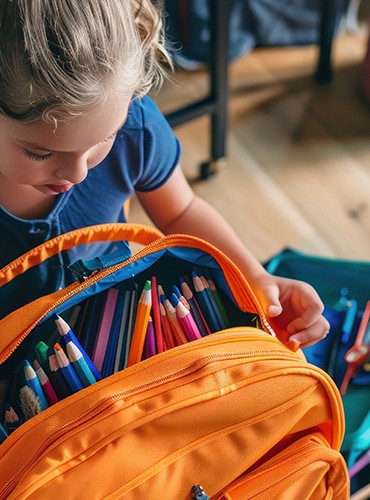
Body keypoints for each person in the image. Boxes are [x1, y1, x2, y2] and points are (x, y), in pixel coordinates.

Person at [0, 0, 329, 348]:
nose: (78, 172)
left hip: (109, 325)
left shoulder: (137, 129)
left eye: (105, 137)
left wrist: (255, 275)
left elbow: (181, 211)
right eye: (41, 152)